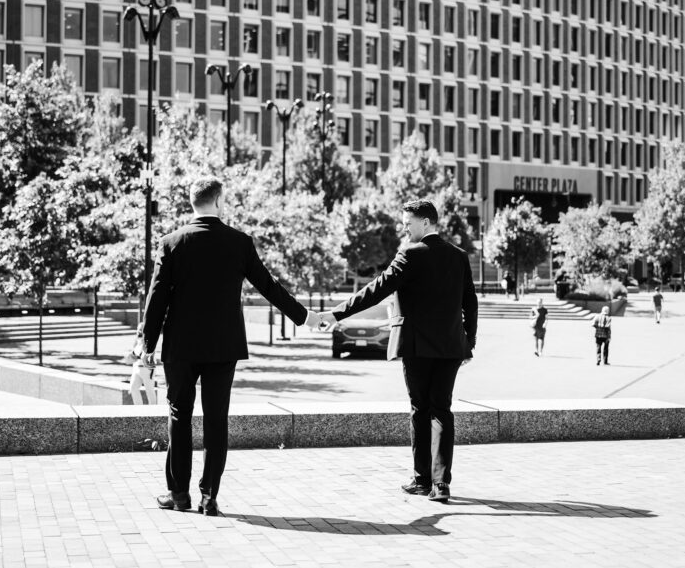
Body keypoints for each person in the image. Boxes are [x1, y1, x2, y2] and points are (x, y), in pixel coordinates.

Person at [141, 176, 324, 516]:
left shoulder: (171, 243)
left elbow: (156, 300)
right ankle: (209, 497)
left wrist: (148, 344)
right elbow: (269, 286)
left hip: (180, 346)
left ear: (191, 202)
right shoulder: (239, 243)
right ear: (220, 201)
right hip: (223, 346)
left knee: (179, 416)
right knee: (216, 419)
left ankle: (178, 495)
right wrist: (305, 318)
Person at [322, 199, 478, 503]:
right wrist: (468, 343)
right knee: (442, 410)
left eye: (408, 223)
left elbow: (376, 289)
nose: (404, 228)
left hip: (417, 346)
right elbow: (469, 302)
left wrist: (337, 314)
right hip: (450, 346)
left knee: (421, 409)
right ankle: (441, 483)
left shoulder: (409, 253)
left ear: (426, 223)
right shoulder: (459, 256)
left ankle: (422, 480)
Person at [124, 324, 159, 405]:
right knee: (133, 387)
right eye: (138, 329)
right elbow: (132, 355)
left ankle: (154, 410)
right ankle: (139, 409)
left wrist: (131, 355)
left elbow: (138, 354)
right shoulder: (137, 341)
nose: (139, 331)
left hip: (147, 369)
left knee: (149, 390)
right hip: (137, 369)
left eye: (141, 329)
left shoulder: (148, 341)